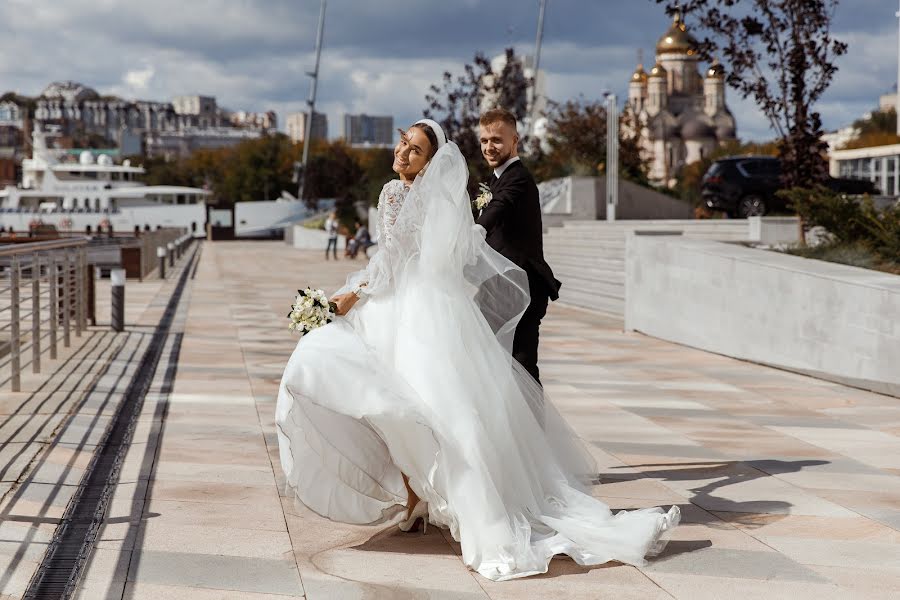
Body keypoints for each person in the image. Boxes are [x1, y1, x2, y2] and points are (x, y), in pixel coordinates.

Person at [275, 119, 679, 582]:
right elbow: (398, 258)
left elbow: (394, 259)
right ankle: (413, 501)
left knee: (424, 409)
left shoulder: (415, 198)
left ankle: (444, 507)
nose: (403, 152)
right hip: (410, 306)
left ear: (430, 164)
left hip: (414, 313)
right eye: (403, 143)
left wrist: (351, 295)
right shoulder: (414, 195)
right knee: (396, 404)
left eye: (415, 150)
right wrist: (358, 290)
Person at [477, 108, 560, 385]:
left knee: (522, 368)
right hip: (501, 284)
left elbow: (500, 207)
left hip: (524, 285)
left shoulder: (517, 177)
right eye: (484, 140)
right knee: (497, 365)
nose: (489, 146)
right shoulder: (496, 178)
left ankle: (535, 428)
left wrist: (475, 230)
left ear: (515, 140)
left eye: (497, 140)